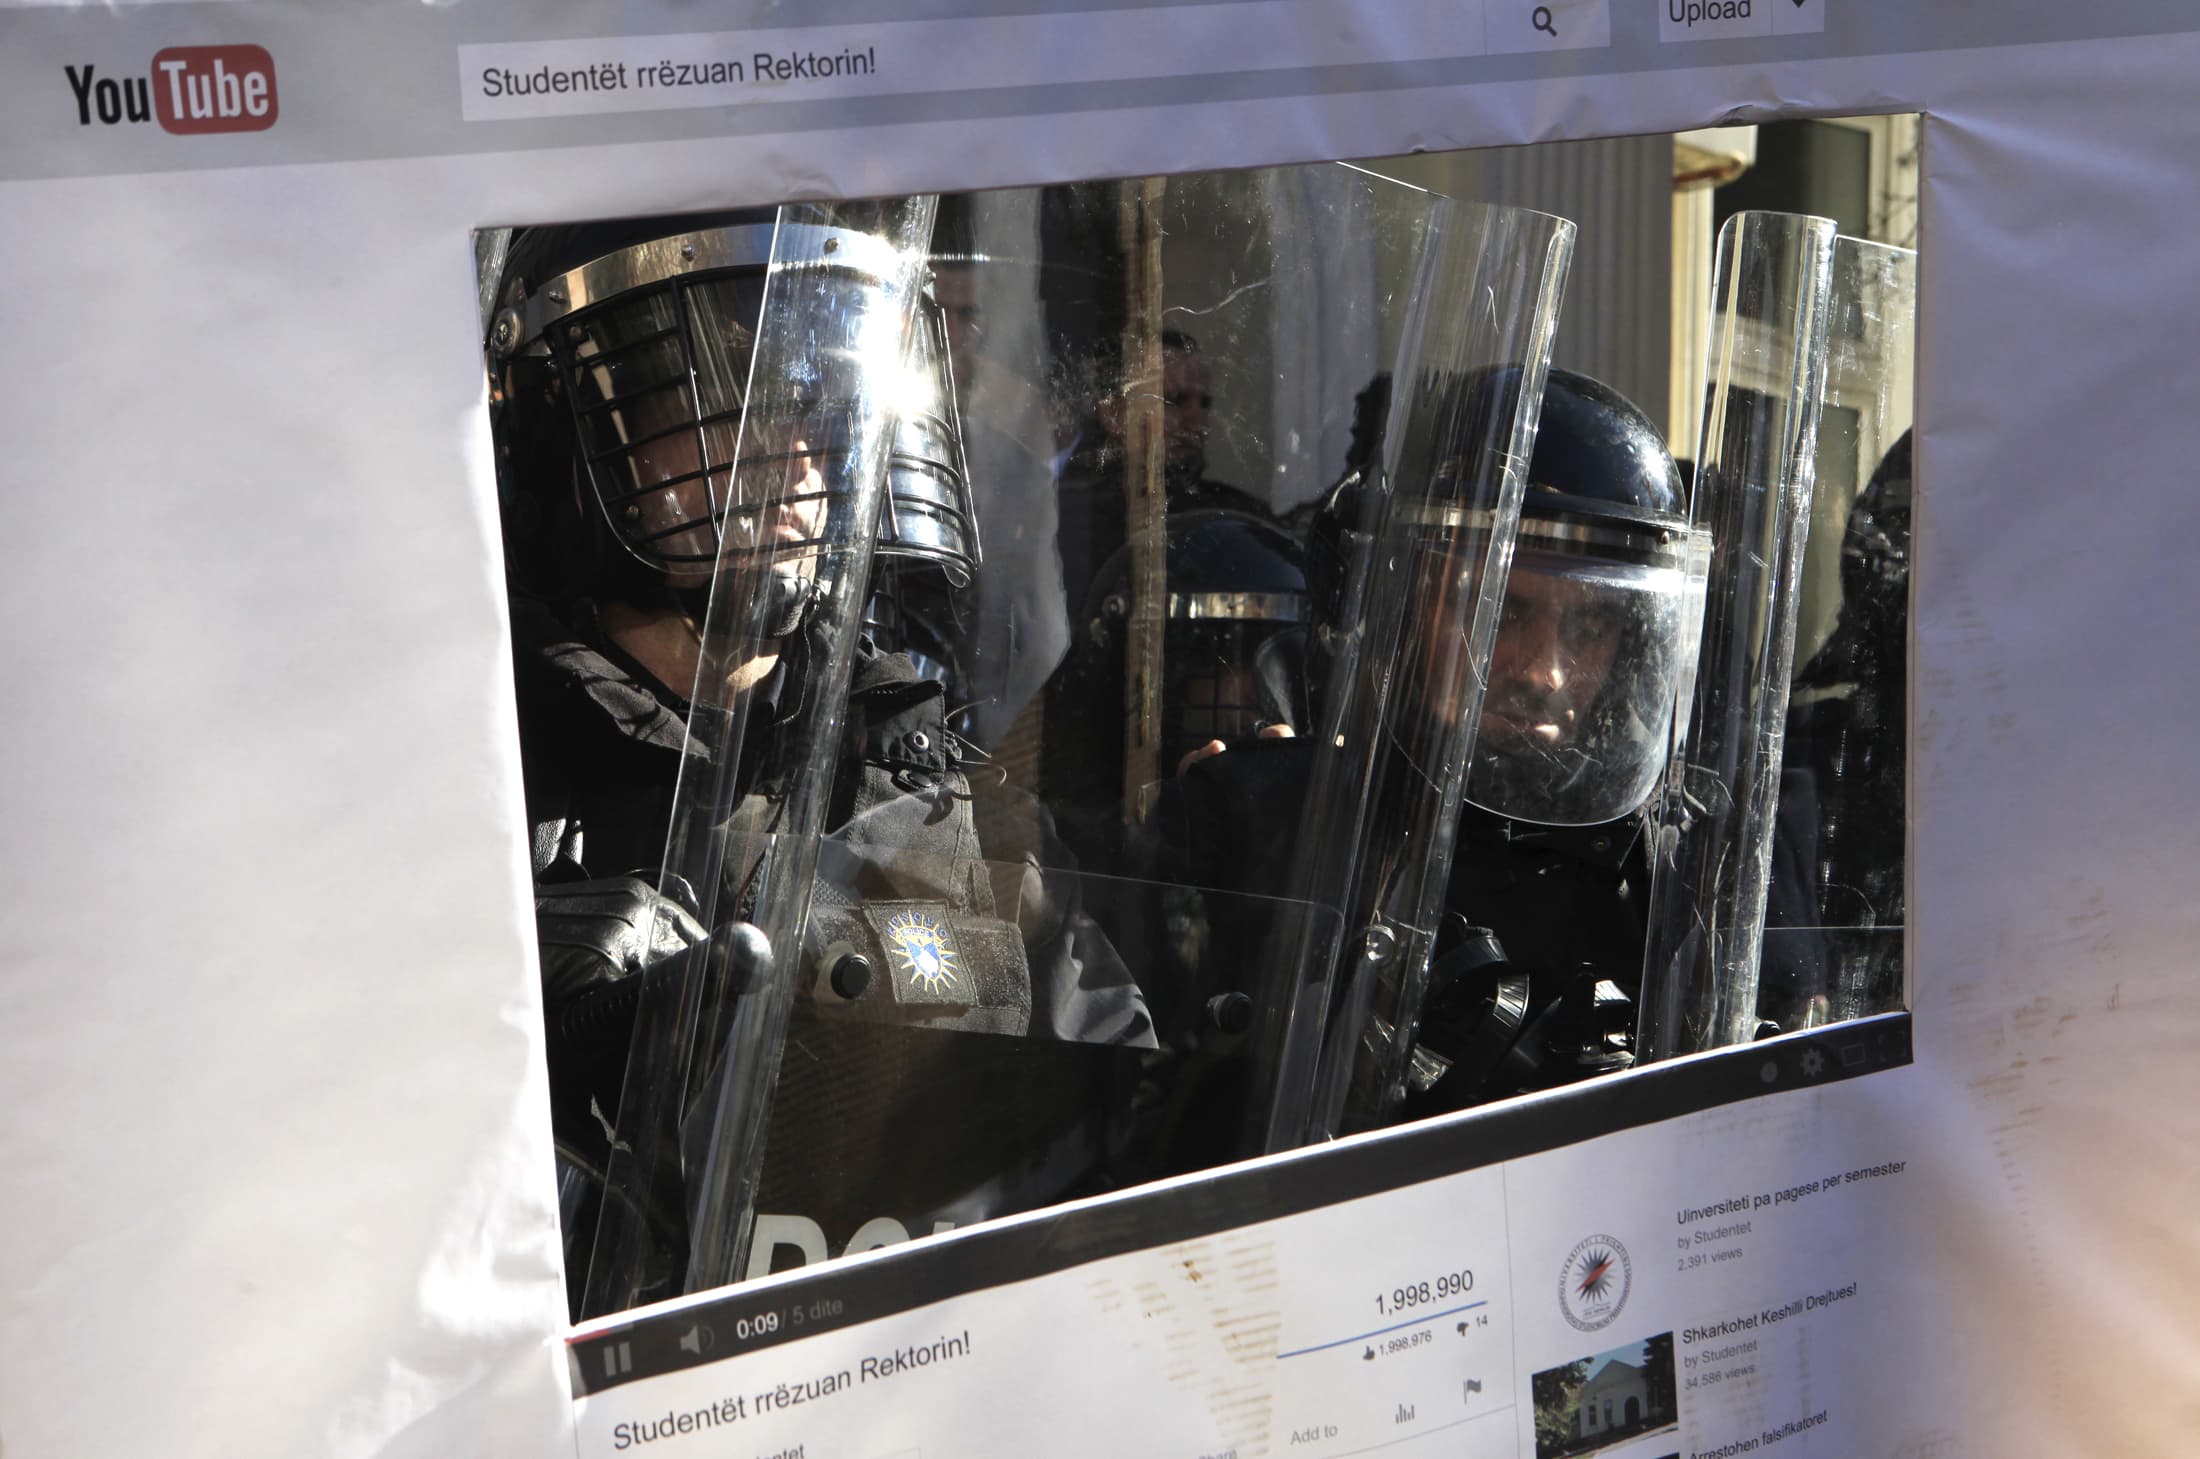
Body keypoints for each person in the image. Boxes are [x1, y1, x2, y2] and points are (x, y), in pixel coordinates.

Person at [485, 208, 1153, 1318]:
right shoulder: (480, 784)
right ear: (569, 443)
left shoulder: (922, 786)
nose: (784, 461)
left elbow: (1113, 1132)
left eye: (810, 410)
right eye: (702, 402)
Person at [1154, 369, 1706, 1124]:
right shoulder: (1267, 826)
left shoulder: (1679, 871)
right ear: (1399, 602)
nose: (1546, 671)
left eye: (1588, 627)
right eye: (1501, 611)